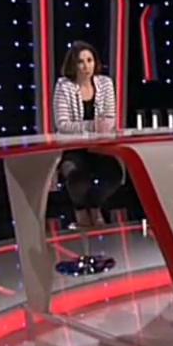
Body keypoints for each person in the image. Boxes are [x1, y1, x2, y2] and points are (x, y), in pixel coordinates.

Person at [54, 41, 123, 227]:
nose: (86, 66)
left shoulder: (105, 83)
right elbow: (63, 125)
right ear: (73, 64)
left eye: (89, 60)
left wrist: (100, 127)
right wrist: (94, 125)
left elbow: (110, 119)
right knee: (77, 176)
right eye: (81, 62)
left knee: (114, 176)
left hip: (100, 147)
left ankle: (94, 205)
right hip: (73, 147)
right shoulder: (64, 86)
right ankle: (80, 210)